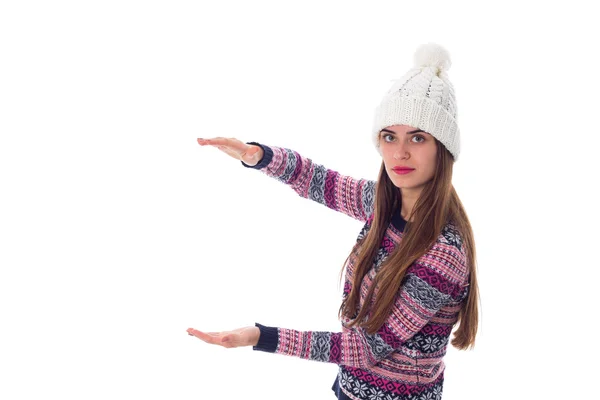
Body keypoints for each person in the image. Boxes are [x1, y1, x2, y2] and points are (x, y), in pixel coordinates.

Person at [188, 42, 479, 400]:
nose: (400, 152)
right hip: (352, 390)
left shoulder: (443, 254)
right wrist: (259, 156)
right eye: (390, 136)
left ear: (443, 148)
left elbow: (366, 348)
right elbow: (318, 181)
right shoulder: (385, 205)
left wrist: (261, 336)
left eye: (417, 138)